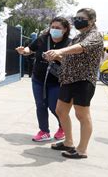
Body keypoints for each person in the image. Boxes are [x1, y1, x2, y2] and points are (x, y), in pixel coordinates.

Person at [45, 8, 104, 159]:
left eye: (81, 18)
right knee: (60, 111)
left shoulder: (94, 35)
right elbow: (69, 58)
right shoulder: (77, 37)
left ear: (91, 20)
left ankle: (82, 149)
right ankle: (69, 142)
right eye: (76, 17)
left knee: (82, 115)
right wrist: (55, 56)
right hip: (68, 79)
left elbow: (81, 48)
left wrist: (61, 51)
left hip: (83, 80)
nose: (77, 20)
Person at [16, 17, 71, 142]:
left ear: (65, 29)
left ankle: (62, 127)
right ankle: (44, 131)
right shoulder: (42, 39)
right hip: (38, 79)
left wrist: (57, 57)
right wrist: (24, 51)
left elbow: (71, 62)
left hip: (57, 81)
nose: (54, 30)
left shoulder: (69, 43)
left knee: (54, 107)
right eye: (53, 27)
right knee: (40, 105)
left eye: (58, 28)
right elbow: (30, 48)